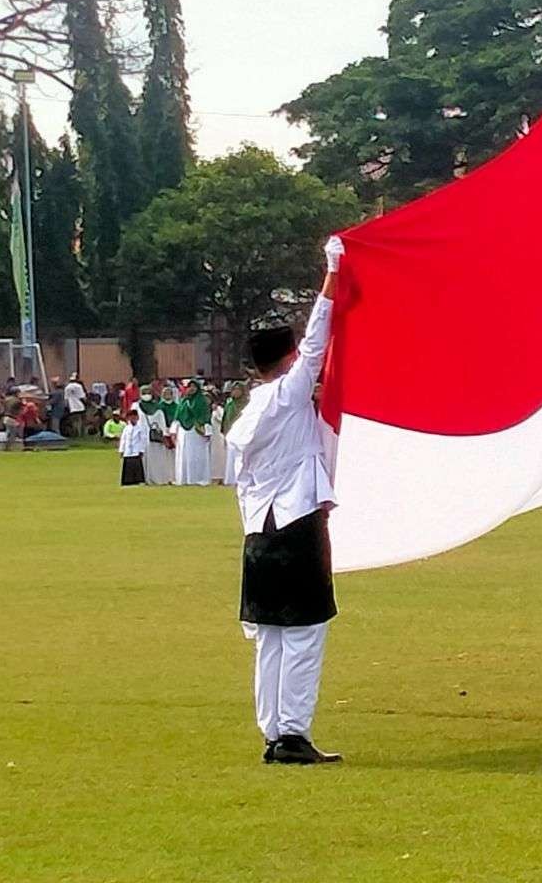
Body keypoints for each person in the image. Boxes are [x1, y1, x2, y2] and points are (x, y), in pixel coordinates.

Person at [225, 236, 344, 765]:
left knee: (270, 638)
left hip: (258, 532)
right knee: (304, 632)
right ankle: (293, 732)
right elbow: (318, 342)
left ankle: (274, 730)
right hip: (294, 524)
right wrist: (332, 272)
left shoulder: (249, 414)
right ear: (287, 359)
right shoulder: (288, 395)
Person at [171, 379, 212, 486]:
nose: (192, 389)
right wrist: (173, 431)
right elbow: (178, 416)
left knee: (196, 454)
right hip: (183, 431)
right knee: (183, 454)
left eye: (194, 387)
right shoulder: (183, 401)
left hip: (196, 431)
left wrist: (207, 430)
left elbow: (205, 416)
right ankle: (183, 478)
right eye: (190, 387)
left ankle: (198, 478)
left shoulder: (201, 401)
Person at [137, 389, 174, 486]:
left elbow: (162, 423)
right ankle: (145, 478)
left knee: (158, 458)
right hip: (142, 438)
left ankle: (159, 478)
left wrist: (165, 436)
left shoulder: (158, 408)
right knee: (144, 458)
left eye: (148, 393)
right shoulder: (137, 406)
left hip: (156, 438)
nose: (146, 395)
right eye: (144, 393)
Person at [221, 383, 249, 486]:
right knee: (231, 457)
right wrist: (225, 432)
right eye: (234, 389)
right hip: (231, 434)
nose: (236, 392)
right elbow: (225, 419)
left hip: (243, 434)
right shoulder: (229, 405)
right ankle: (231, 479)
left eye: (238, 390)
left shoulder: (247, 404)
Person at [118, 409, 148, 486]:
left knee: (136, 466)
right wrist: (121, 450)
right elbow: (123, 439)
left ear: (137, 418)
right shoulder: (126, 428)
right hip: (127, 451)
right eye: (130, 417)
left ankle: (138, 480)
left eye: (134, 417)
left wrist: (141, 450)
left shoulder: (140, 428)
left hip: (136, 450)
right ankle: (127, 481)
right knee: (127, 467)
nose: (132, 419)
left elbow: (143, 439)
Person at [63, 373, 87, 438]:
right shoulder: (79, 386)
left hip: (72, 407)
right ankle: (81, 434)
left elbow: (66, 399)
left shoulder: (67, 387)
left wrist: (67, 407)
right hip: (80, 406)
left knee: (74, 422)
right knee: (81, 422)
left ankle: (75, 433)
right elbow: (82, 397)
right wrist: (86, 403)